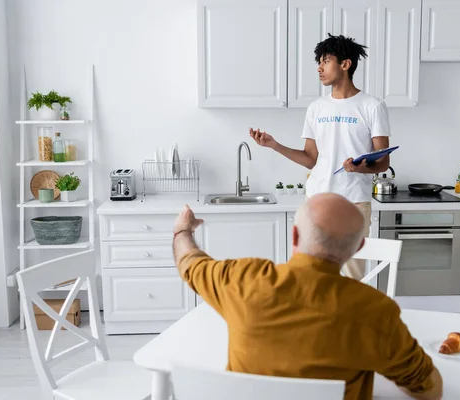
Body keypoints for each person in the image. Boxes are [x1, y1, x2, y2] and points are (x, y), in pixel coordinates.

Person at [173, 193, 443, 400]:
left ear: (294, 234)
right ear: (358, 247)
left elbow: (190, 263)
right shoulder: (376, 311)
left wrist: (183, 230)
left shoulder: (242, 279)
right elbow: (428, 389)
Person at [249, 34, 391, 281]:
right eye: (319, 62)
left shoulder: (372, 106)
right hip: (316, 201)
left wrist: (359, 169)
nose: (319, 68)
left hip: (353, 203)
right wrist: (274, 145)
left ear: (345, 65)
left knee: (352, 277)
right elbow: (310, 159)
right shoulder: (317, 108)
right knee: (311, 274)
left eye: (326, 61)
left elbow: (384, 162)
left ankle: (347, 320)